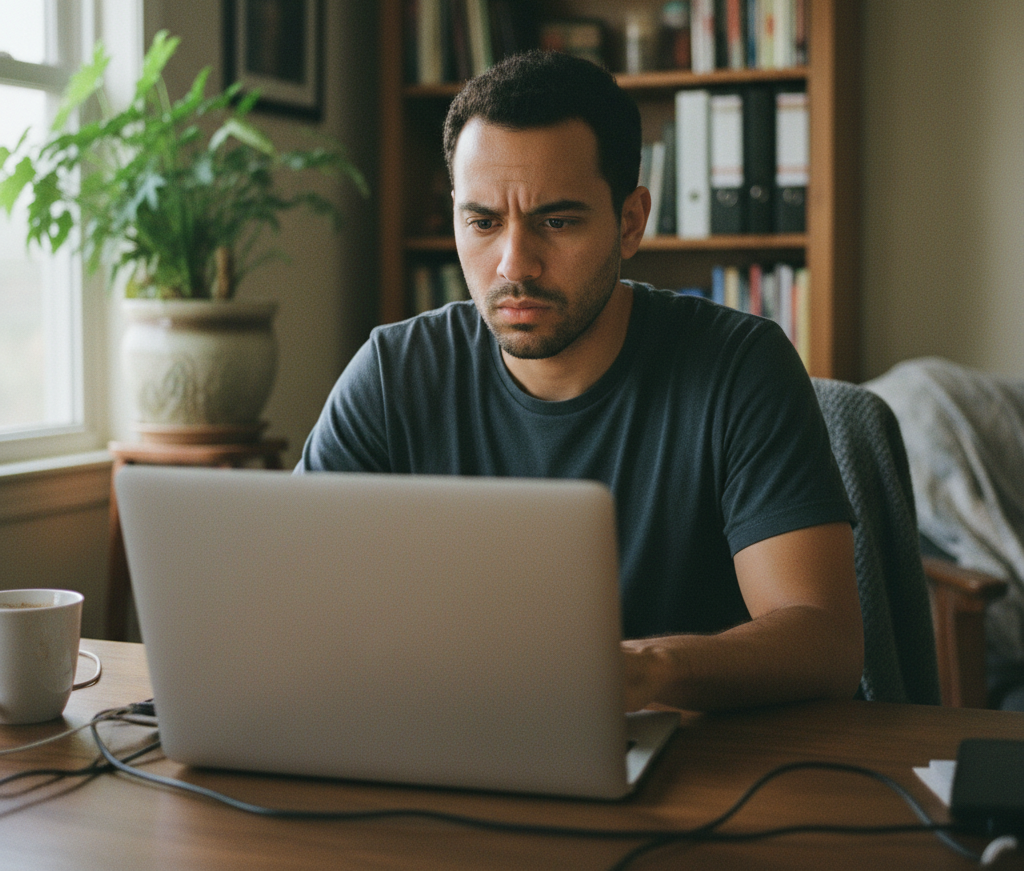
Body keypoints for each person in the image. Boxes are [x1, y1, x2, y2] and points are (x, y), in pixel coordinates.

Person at [299, 50, 864, 713]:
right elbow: (296, 602)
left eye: (556, 221)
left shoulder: (741, 367)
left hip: (695, 769)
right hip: (442, 740)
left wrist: (651, 671)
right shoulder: (393, 373)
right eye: (482, 222)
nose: (515, 263)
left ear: (630, 222)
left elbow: (825, 643)